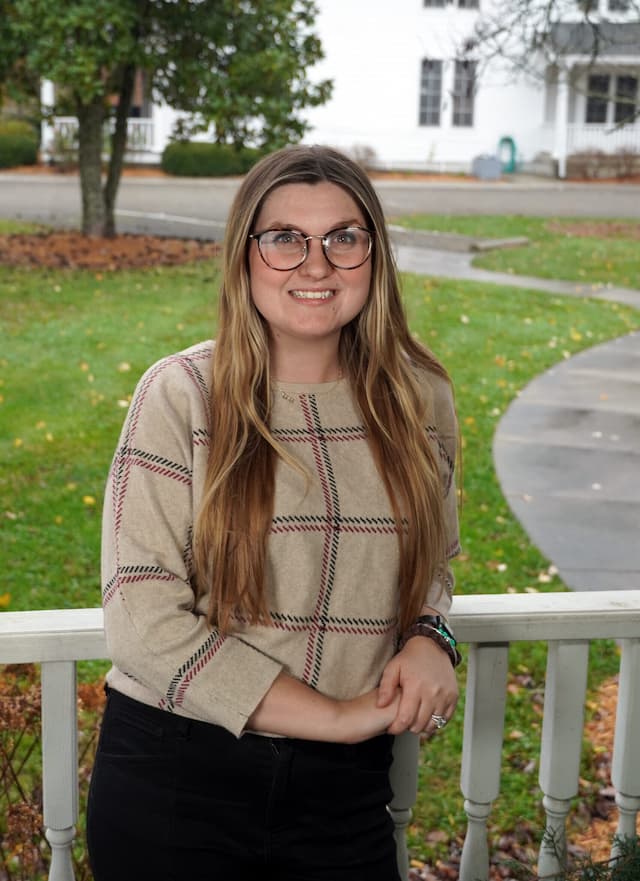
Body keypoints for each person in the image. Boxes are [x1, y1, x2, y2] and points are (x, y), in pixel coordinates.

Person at [86, 144, 461, 881]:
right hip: (176, 782)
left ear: (374, 255)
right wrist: (341, 718)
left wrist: (430, 632)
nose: (315, 265)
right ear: (245, 255)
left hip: (344, 796)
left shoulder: (420, 400)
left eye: (343, 238)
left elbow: (434, 564)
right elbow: (142, 620)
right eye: (285, 237)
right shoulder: (182, 395)